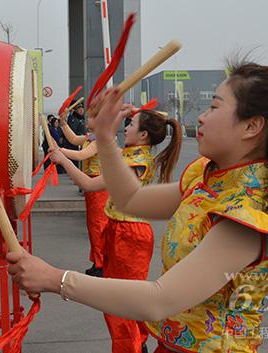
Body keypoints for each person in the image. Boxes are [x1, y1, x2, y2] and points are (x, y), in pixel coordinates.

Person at [6, 60, 268, 353]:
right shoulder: (204, 176)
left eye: (213, 107)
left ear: (252, 126)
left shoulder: (248, 215)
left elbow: (159, 299)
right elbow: (131, 200)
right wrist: (106, 139)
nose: (202, 117)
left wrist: (55, 279)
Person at [49, 107, 182, 353]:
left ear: (143, 135)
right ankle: (137, 343)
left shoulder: (135, 162)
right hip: (122, 232)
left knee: (118, 306)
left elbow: (89, 184)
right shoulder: (131, 155)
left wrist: (63, 160)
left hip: (129, 236)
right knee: (127, 301)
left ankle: (131, 348)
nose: (126, 128)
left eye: (131, 124)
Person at [58, 110, 109, 277]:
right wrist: (64, 123)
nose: (89, 119)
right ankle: (97, 261)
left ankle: (102, 264)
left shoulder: (101, 139)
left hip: (99, 186)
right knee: (93, 225)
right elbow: (73, 139)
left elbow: (81, 155)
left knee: (98, 225)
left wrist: (60, 152)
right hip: (92, 185)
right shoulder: (91, 137)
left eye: (93, 117)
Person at [63, 100, 87, 168]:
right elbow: (72, 131)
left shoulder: (83, 118)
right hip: (75, 141)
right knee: (75, 158)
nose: (81, 110)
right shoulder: (73, 118)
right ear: (75, 110)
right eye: (79, 109)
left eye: (82, 108)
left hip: (83, 140)